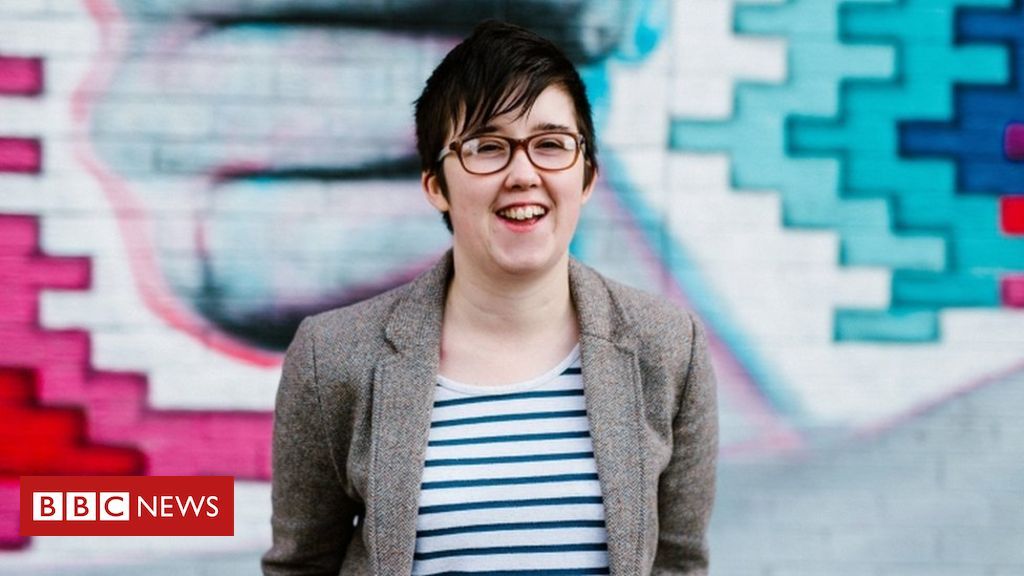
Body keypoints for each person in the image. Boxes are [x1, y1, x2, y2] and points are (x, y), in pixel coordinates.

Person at [262, 20, 718, 576]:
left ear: (587, 175)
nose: (523, 174)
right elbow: (302, 566)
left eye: (551, 145)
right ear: (436, 184)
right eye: (487, 147)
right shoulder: (333, 357)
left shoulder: (667, 348)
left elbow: (678, 563)